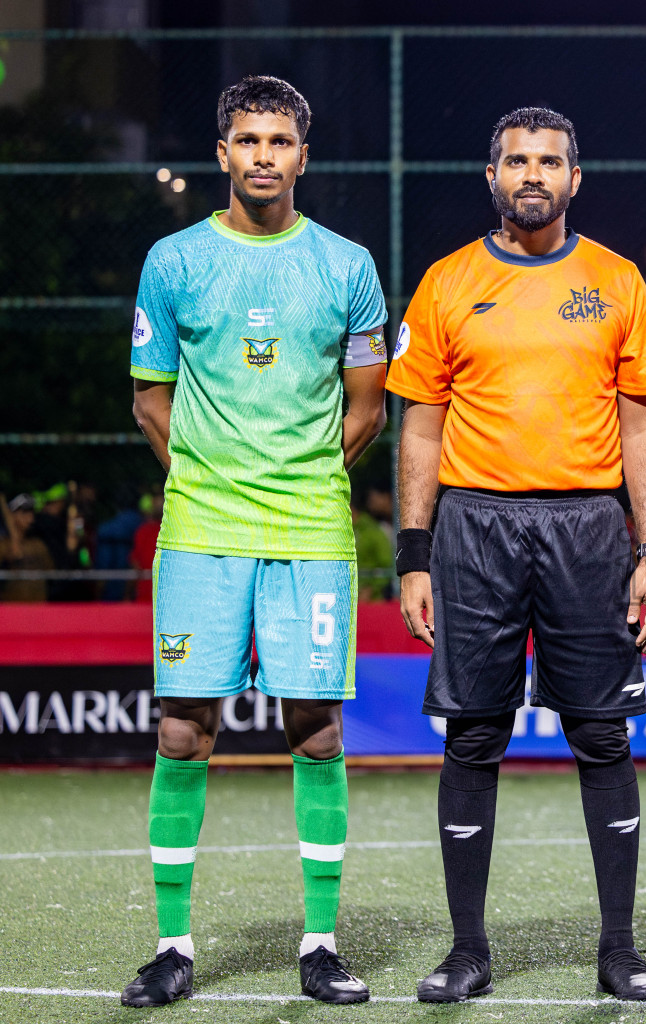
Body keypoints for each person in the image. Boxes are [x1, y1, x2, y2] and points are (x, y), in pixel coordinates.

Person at [119, 75, 388, 1008]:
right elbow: (151, 395)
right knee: (183, 730)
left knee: (315, 731)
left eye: (281, 140)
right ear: (223, 153)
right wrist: (208, 470)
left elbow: (367, 409)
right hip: (200, 530)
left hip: (311, 527)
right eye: (248, 139)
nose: (264, 155)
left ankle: (319, 944)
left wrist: (300, 473)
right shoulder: (173, 259)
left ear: (302, 157)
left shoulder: (349, 265)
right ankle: (172, 947)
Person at [388, 107, 646, 1004]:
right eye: (516, 160)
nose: (532, 173)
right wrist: (415, 553)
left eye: (550, 161)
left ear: (575, 179)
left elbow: (640, 423)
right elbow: (421, 428)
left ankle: (618, 949)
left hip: (589, 527)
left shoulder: (618, 280)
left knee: (600, 733)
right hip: (475, 528)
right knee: (474, 732)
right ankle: (468, 949)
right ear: (492, 175)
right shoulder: (446, 282)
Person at [0, 493, 53, 603]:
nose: (30, 518)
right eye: (24, 513)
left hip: (39, 611)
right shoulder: (4, 545)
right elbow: (15, 553)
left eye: (31, 513)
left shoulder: (38, 544)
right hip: (11, 611)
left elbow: (52, 572)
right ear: (11, 515)